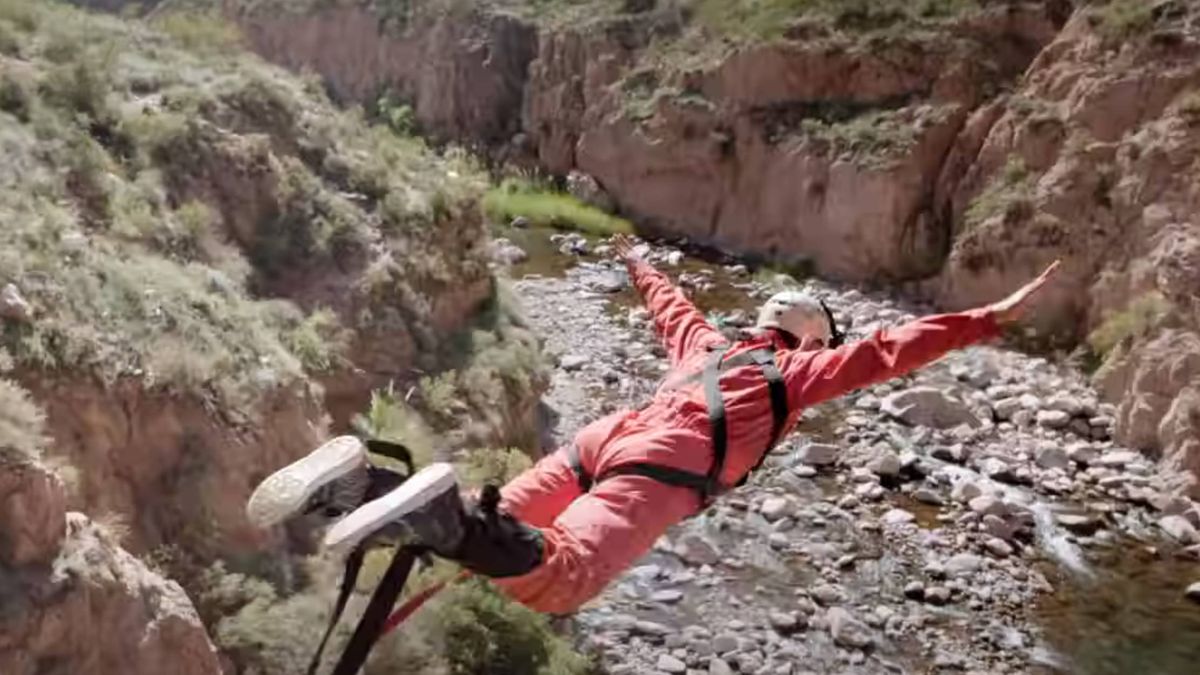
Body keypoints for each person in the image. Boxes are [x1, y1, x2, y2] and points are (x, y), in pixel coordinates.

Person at [246, 234, 1060, 616]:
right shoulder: (797, 370)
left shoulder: (707, 343)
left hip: (602, 441)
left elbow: (668, 302)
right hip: (655, 470)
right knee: (559, 578)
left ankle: (358, 483)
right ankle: (422, 509)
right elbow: (887, 349)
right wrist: (984, 318)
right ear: (809, 334)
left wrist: (638, 261)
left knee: (482, 538)